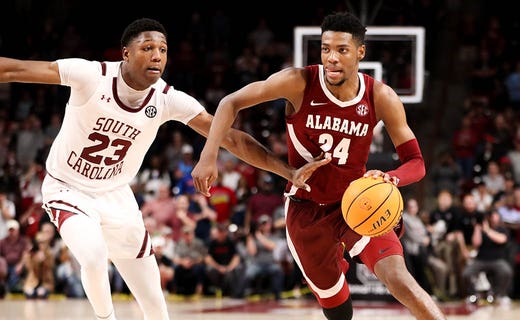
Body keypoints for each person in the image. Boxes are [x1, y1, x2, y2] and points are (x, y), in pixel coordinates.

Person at [0, 18, 327, 320]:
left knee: (156, 306)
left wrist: (288, 171)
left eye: (162, 50)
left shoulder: (169, 98)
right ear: (126, 54)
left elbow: (231, 138)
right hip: (67, 188)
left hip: (116, 196)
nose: (157, 56)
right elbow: (15, 69)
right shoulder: (90, 75)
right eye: (147, 48)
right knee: (94, 255)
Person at [192, 11, 446, 320]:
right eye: (326, 49)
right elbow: (229, 102)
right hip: (306, 211)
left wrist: (390, 179)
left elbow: (416, 163)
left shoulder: (381, 96)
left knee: (399, 279)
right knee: (340, 313)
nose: (332, 58)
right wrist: (208, 157)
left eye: (342, 50)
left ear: (360, 52)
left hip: (357, 202)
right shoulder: (298, 82)